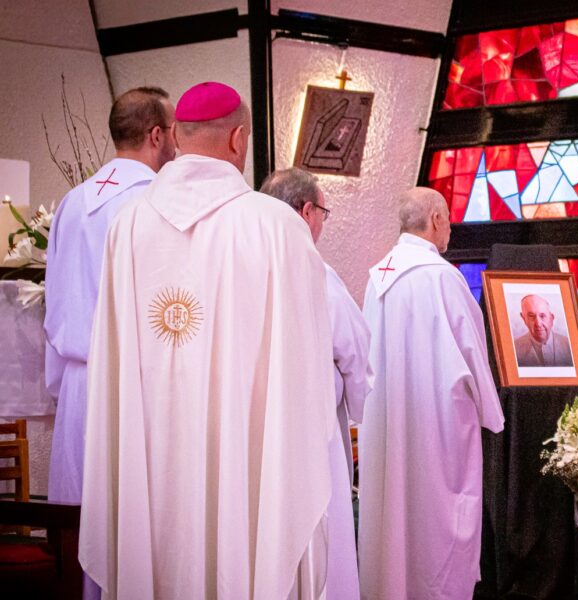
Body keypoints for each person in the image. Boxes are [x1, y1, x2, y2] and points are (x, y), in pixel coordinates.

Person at [79, 82, 339, 599]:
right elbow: (308, 368)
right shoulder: (278, 227)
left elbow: (108, 367)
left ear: (174, 134)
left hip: (149, 460)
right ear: (239, 140)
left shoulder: (127, 227)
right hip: (246, 464)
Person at [358, 187, 504, 600]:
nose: (451, 229)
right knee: (436, 524)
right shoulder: (442, 277)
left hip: (388, 421)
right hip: (437, 429)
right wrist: (492, 414)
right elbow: (473, 352)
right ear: (436, 220)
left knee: (393, 522)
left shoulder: (377, 277)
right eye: (449, 220)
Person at [44, 87, 176, 509]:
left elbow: (56, 299)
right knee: (134, 530)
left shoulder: (73, 201)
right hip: (139, 385)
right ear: (156, 136)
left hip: (79, 385)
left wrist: (60, 388)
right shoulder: (159, 201)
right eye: (173, 131)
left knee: (83, 521)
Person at [260, 167, 369, 600]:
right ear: (306, 212)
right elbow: (355, 353)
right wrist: (361, 409)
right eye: (323, 212)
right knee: (323, 537)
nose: (323, 221)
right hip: (311, 432)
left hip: (256, 432)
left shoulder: (240, 263)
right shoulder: (315, 272)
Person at [513, 294, 574, 367]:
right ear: (524, 319)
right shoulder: (514, 349)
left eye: (542, 316)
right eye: (531, 316)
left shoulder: (570, 345)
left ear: (551, 318)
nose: (538, 324)